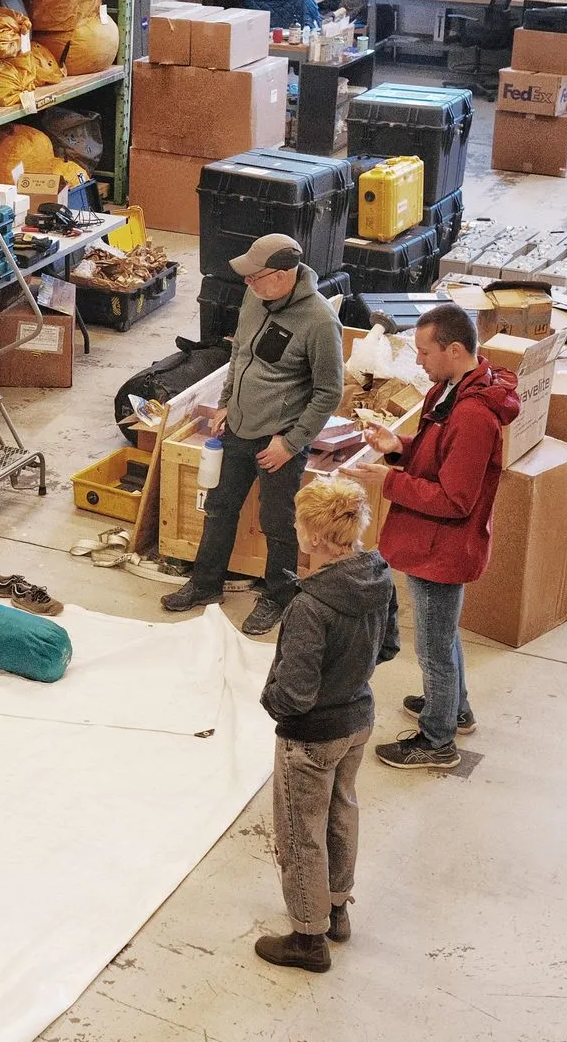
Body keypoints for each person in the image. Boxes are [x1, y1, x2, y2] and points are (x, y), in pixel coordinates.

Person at [352, 303, 520, 771]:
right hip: (432, 542)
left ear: (455, 349)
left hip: (442, 546)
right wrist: (397, 448)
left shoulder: (472, 416)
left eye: (425, 352)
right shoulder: (450, 390)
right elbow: (436, 456)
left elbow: (455, 499)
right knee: (444, 637)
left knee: (433, 648)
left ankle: (437, 740)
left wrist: (387, 483)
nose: (419, 361)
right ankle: (455, 708)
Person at [161, 234, 344, 636]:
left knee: (278, 523)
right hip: (239, 426)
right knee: (219, 507)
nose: (247, 283)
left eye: (255, 277)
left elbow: (330, 392)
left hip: (279, 440)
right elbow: (240, 352)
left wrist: (290, 444)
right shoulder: (255, 298)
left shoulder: (319, 321)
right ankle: (206, 584)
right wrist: (227, 402)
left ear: (282, 277)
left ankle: (279, 596)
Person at [253, 476, 398, 972]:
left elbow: (294, 694)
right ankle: (337, 910)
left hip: (312, 737)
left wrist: (269, 699)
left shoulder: (310, 605)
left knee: (300, 833)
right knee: (342, 813)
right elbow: (390, 647)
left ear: (313, 537)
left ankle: (308, 937)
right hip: (357, 719)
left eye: (297, 523)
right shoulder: (379, 576)